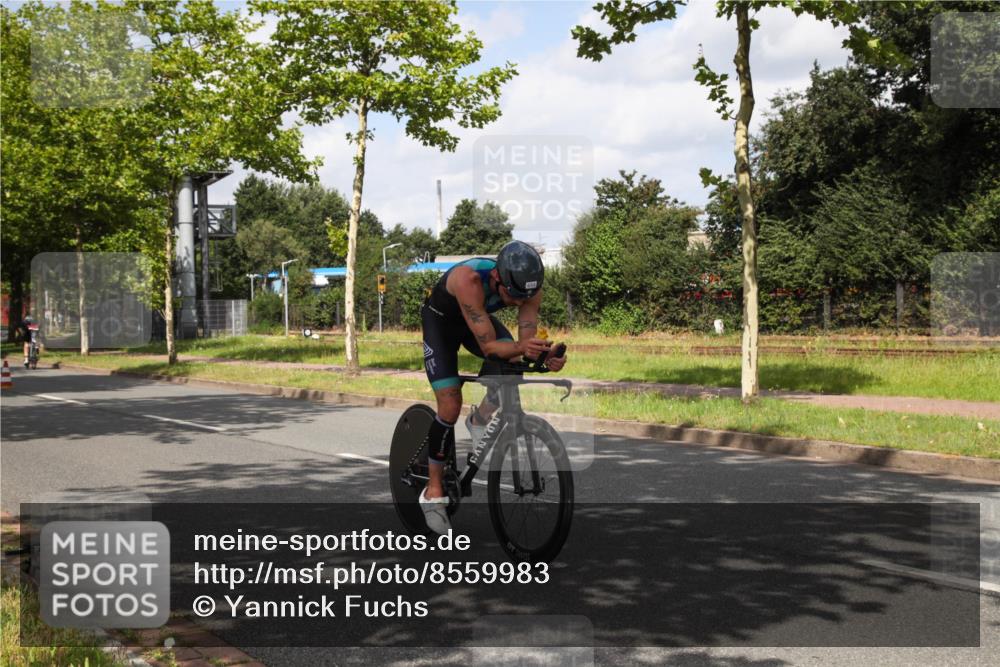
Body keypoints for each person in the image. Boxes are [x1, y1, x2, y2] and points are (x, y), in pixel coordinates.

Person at [418, 240, 566, 533]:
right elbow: (489, 348)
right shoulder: (467, 279)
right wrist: (521, 346)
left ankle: (480, 419)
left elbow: (524, 341)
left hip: (479, 321)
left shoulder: (529, 288)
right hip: (442, 325)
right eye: (511, 296)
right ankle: (432, 493)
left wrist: (543, 354)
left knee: (511, 370)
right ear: (497, 278)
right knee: (450, 404)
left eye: (523, 298)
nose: (516, 303)